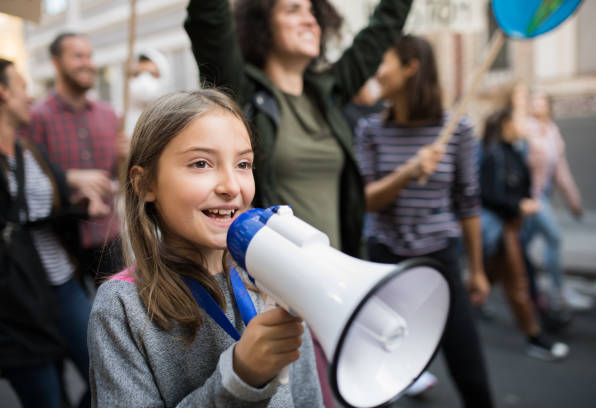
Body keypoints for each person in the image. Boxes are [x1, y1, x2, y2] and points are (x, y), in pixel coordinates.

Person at [184, 1, 416, 405]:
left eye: (313, 10)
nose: (309, 18)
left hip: (347, 282)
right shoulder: (244, 93)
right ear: (262, 25)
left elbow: (383, 27)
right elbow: (209, 19)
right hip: (286, 295)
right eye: (293, 9)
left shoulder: (328, 91)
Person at [87, 89, 323, 407]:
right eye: (201, 163)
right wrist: (240, 377)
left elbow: (307, 397)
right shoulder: (121, 308)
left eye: (243, 163)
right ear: (145, 184)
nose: (231, 186)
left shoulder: (278, 275)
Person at [354, 34, 493, 407]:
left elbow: (468, 203)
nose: (377, 73)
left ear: (410, 66)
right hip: (384, 261)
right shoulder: (370, 130)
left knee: (471, 372)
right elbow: (364, 201)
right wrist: (409, 171)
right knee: (374, 376)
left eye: (384, 62)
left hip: (440, 261)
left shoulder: (458, 130)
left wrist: (477, 270)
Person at [0, 59, 105, 408]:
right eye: (22, 87)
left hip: (62, 283)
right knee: (46, 397)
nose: (30, 97)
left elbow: (48, 210)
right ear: (2, 92)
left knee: (105, 370)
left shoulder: (28, 151)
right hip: (16, 300)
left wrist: (81, 208)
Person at [21, 32, 123, 285]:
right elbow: (26, 178)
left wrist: (128, 157)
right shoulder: (35, 117)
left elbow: (120, 177)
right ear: (56, 62)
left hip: (110, 239)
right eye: (78, 56)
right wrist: (71, 178)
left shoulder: (109, 115)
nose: (87, 63)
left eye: (89, 56)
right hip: (61, 244)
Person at [480, 105, 570, 361]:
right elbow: (487, 195)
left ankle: (461, 306)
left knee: (487, 276)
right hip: (503, 228)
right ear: (507, 124)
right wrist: (518, 205)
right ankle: (535, 337)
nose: (524, 124)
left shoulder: (515, 152)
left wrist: (527, 201)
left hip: (514, 226)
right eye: (519, 119)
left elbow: (526, 184)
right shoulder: (495, 155)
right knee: (518, 283)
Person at [522, 91, 588, 311]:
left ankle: (504, 285)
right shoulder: (526, 129)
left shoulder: (552, 132)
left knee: (519, 245)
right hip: (532, 197)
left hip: (543, 195)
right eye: (534, 101)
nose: (537, 105)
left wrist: (573, 200)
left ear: (549, 106)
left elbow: (560, 170)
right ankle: (558, 292)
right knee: (554, 238)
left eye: (541, 101)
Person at [124, 49, 172, 137]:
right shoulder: (119, 123)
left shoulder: (174, 120)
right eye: (137, 74)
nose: (144, 80)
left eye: (152, 74)